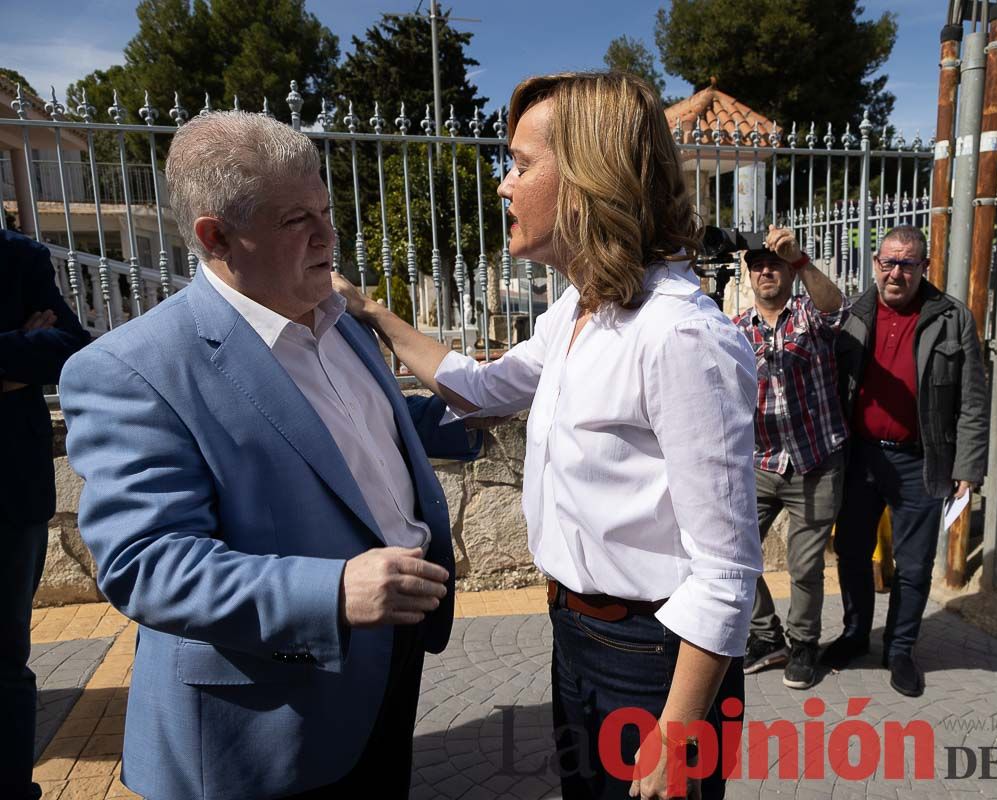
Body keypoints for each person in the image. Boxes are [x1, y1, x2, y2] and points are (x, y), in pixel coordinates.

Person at [336, 71, 761, 799]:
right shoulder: (578, 313)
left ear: (590, 181)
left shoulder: (681, 338)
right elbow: (479, 386)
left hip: (651, 658)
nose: (504, 185)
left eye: (522, 165)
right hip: (577, 634)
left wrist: (681, 728)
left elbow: (726, 572)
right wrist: (373, 313)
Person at [57, 111, 479, 800]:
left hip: (385, 662)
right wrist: (333, 592)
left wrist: (493, 418)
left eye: (326, 210)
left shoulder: (332, 319)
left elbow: (367, 427)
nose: (329, 236)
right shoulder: (131, 370)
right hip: (266, 716)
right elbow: (146, 564)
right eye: (295, 221)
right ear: (215, 235)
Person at [824, 225, 987, 698]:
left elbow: (973, 400)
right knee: (852, 552)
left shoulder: (953, 318)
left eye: (907, 264)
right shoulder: (853, 312)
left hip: (920, 461)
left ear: (924, 267)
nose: (896, 273)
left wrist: (967, 468)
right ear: (876, 263)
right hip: (860, 459)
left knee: (914, 566)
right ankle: (856, 635)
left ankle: (900, 650)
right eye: (888, 263)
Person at [730, 228, 849, 690]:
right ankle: (766, 636)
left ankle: (804, 645)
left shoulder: (808, 315)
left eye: (774, 263)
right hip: (760, 463)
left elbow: (839, 307)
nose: (765, 270)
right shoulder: (736, 329)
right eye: (758, 264)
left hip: (815, 462)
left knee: (804, 566)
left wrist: (799, 259)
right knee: (736, 553)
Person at [1, 229, 91, 800]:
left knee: (6, 663)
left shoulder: (15, 257)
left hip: (8, 493)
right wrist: (14, 354)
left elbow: (69, 347)